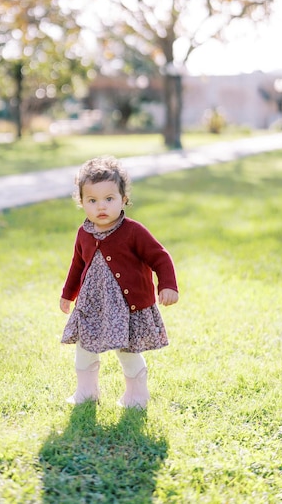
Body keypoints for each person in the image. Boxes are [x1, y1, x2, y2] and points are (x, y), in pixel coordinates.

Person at [59, 155, 179, 409]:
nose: (101, 207)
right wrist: (68, 294)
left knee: (127, 351)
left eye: (109, 199)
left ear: (123, 199)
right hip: (93, 305)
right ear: (81, 202)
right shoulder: (84, 233)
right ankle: (86, 393)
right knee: (84, 347)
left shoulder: (133, 231)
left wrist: (168, 285)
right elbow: (77, 265)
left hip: (125, 307)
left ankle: (136, 396)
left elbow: (160, 257)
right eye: (92, 200)